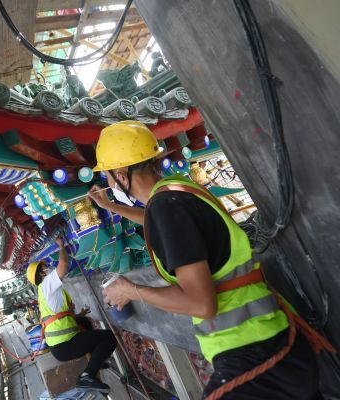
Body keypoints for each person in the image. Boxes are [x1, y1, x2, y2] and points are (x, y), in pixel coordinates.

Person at [91, 121, 329, 399]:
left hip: (253, 354)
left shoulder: (165, 209)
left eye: (108, 177)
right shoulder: (177, 193)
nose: (109, 184)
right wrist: (110, 206)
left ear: (121, 175)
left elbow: (201, 304)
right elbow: (158, 224)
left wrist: (130, 291)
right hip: (273, 342)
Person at [26, 238, 116, 393]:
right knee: (109, 338)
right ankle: (87, 376)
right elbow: (63, 265)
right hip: (64, 345)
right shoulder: (46, 284)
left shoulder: (46, 291)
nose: (48, 269)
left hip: (61, 345)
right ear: (41, 273)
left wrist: (80, 315)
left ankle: (95, 361)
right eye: (45, 268)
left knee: (85, 323)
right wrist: (62, 246)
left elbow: (58, 318)